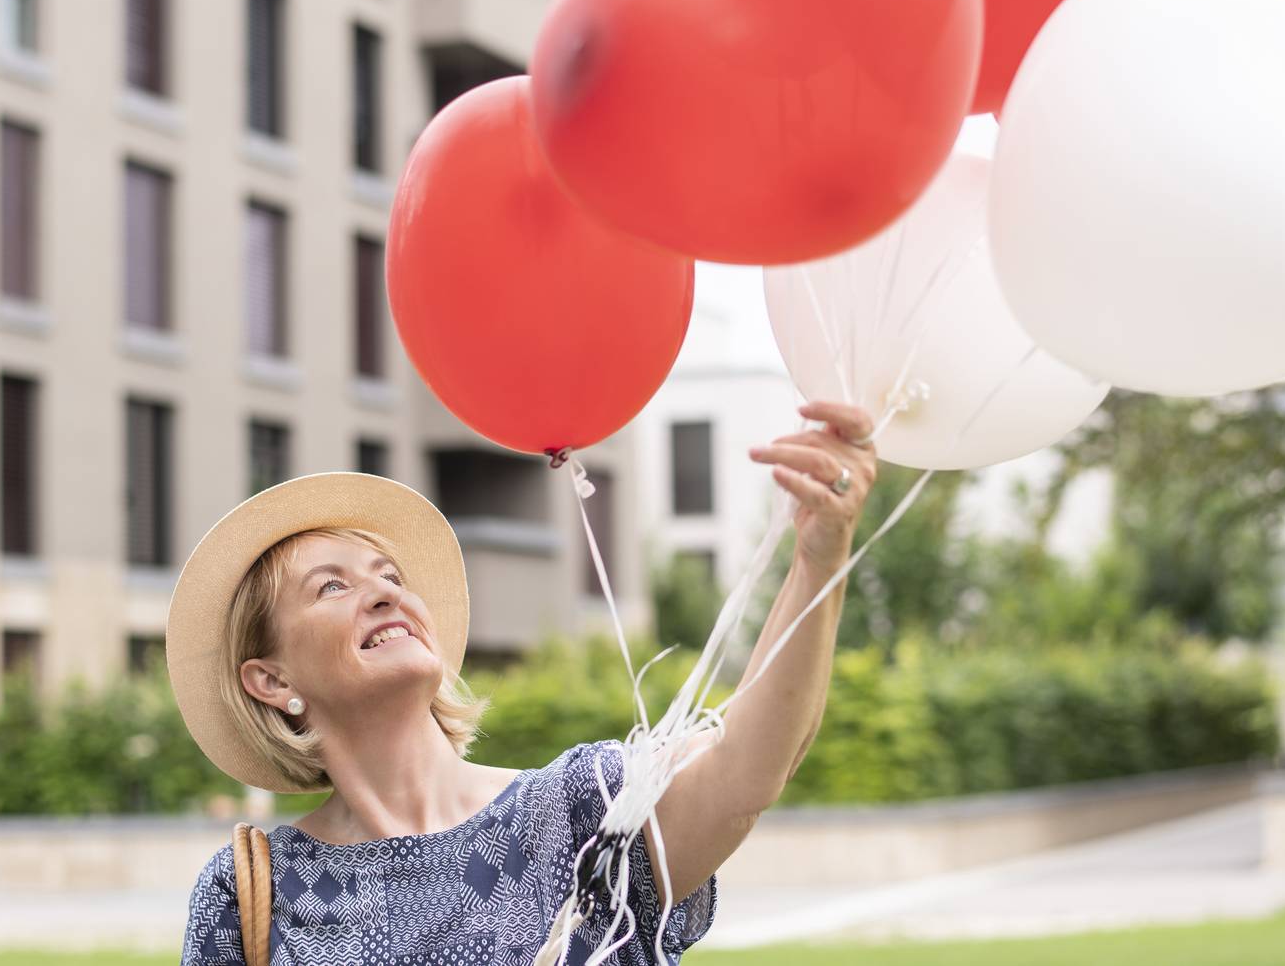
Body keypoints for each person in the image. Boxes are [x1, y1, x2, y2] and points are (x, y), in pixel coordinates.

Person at [170, 401, 878, 965]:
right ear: (271, 679)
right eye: (333, 586)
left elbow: (749, 767)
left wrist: (818, 557)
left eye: (391, 576)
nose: (385, 593)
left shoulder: (580, 812)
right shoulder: (248, 895)